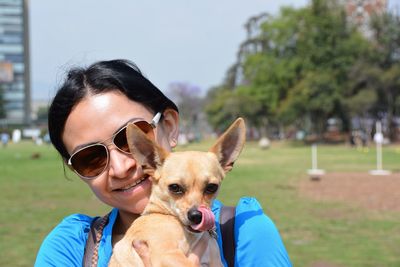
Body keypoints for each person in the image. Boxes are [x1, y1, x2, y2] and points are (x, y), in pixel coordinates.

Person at [35, 59, 292, 267]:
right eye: (90, 158)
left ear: (169, 127)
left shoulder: (245, 232)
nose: (121, 167)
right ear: (76, 170)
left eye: (130, 138)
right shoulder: (70, 248)